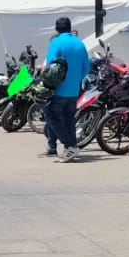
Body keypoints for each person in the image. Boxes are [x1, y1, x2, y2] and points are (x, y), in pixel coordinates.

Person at [42, 17, 92, 162]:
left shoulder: (56, 42)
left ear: (56, 29)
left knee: (52, 117)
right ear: (70, 28)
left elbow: (50, 66)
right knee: (69, 120)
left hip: (58, 90)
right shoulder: (80, 43)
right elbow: (86, 68)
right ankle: (70, 147)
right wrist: (75, 80)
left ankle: (70, 146)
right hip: (74, 91)